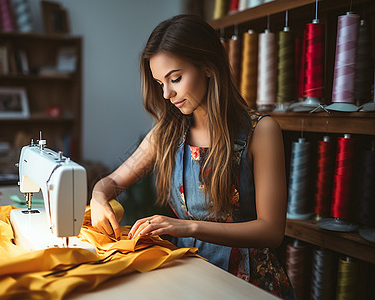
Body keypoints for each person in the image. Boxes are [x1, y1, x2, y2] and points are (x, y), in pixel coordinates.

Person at [90, 14, 296, 299]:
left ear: (209, 66)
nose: (167, 94)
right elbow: (112, 182)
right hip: (188, 274)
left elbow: (272, 231)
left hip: (247, 284)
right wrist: (98, 198)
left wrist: (187, 227)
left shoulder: (260, 132)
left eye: (175, 78)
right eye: (160, 82)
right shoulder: (167, 133)